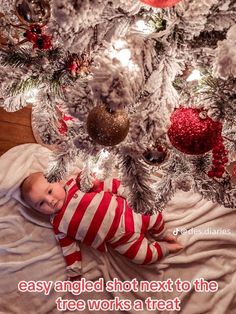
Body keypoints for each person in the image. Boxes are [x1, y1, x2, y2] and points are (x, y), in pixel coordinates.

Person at [20, 172, 183, 279]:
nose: (51, 201)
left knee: (154, 216)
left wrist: (126, 192)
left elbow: (105, 184)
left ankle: (162, 234)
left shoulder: (75, 183)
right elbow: (69, 248)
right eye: (41, 204)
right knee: (142, 257)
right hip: (120, 240)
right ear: (37, 210)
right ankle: (164, 248)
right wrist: (74, 271)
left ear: (57, 181)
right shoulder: (58, 225)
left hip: (128, 211)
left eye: (49, 192)